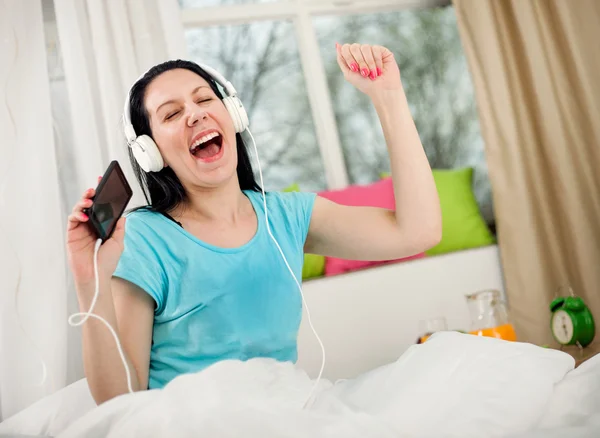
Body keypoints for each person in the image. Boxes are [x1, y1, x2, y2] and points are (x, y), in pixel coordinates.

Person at [66, 42, 441, 405]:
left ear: (233, 114)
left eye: (203, 99)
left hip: (287, 417)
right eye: (171, 113)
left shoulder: (287, 217)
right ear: (150, 152)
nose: (194, 114)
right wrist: (89, 282)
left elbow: (417, 232)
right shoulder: (144, 238)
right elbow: (120, 398)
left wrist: (387, 95)